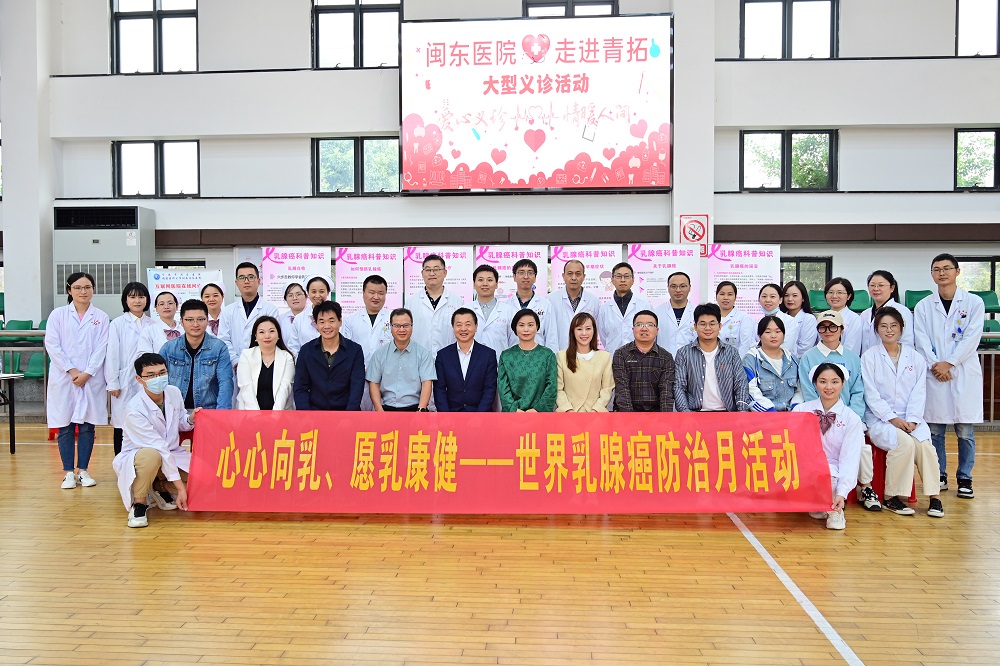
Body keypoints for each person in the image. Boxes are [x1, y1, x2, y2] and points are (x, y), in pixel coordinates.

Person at [914, 253, 984, 499]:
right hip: (935, 372)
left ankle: (965, 477)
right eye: (937, 269)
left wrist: (950, 363)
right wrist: (936, 365)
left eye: (946, 268)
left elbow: (972, 337)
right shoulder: (923, 306)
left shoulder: (974, 302)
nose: (942, 273)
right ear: (932, 274)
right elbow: (921, 339)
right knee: (935, 430)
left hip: (962, 370)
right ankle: (939, 474)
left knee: (965, 431)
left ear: (957, 271)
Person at [862, 307, 943, 518]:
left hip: (910, 418)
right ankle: (891, 497)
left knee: (925, 447)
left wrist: (913, 419)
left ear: (901, 328)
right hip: (881, 419)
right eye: (883, 326)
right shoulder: (869, 357)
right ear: (876, 330)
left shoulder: (915, 358)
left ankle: (934, 497)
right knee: (905, 444)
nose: (889, 330)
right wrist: (893, 419)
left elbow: (919, 392)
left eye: (893, 326)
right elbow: (871, 394)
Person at [799, 310, 879, 511]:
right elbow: (809, 391)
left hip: (847, 415)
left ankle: (866, 487)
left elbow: (858, 390)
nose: (828, 331)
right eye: (823, 327)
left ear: (842, 329)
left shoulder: (852, 358)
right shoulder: (808, 357)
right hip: (817, 417)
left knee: (859, 446)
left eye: (833, 327)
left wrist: (851, 417)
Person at [113, 353, 198, 529]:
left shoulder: (173, 392)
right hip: (143, 458)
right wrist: (180, 488)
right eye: (151, 375)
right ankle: (139, 504)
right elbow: (159, 447)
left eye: (162, 373)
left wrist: (190, 419)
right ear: (139, 379)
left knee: (203, 479)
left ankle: (159, 487)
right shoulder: (135, 409)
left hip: (171, 454)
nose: (158, 378)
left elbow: (179, 421)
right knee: (151, 456)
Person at [45, 272, 110, 489]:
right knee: (65, 425)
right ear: (69, 290)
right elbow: (52, 345)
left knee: (87, 426)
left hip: (91, 379)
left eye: (87, 287)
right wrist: (72, 371)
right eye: (78, 287)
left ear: (93, 289)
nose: (83, 291)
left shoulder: (101, 317)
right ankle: (68, 473)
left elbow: (102, 348)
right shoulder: (58, 315)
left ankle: (83, 470)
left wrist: (88, 373)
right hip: (65, 378)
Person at [793, 363, 864, 531]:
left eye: (835, 382)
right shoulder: (802, 410)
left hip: (833, 471)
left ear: (842, 384)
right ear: (815, 383)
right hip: (805, 468)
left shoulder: (851, 418)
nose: (829, 387)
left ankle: (835, 509)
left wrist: (842, 492)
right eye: (823, 381)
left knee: (828, 473)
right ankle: (816, 502)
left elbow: (849, 458)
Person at [674, 303, 751, 412]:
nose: (707, 328)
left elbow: (741, 384)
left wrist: (742, 411)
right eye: (703, 324)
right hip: (695, 414)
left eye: (712, 324)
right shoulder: (683, 353)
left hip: (727, 413)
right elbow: (679, 387)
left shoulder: (732, 353)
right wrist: (686, 414)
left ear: (720, 326)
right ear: (695, 326)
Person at [105, 282, 154, 455]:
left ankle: (143, 462)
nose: (137, 301)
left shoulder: (152, 324)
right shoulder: (117, 324)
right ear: (125, 300)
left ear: (147, 300)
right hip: (124, 380)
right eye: (132, 297)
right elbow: (112, 355)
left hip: (148, 381)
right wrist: (113, 382)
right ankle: (121, 462)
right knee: (122, 424)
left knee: (146, 422)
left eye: (141, 297)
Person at [160, 299, 234, 411]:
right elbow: (159, 380)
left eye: (200, 319)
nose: (195, 324)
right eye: (189, 320)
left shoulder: (219, 347)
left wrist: (221, 415)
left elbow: (225, 382)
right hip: (176, 411)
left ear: (207, 320)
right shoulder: (168, 348)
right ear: (181, 321)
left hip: (208, 411)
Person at [293, 301, 366, 411]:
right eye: (322, 321)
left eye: (331, 321)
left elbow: (357, 386)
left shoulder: (355, 350)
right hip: (314, 412)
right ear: (316, 324)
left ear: (340, 321)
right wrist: (306, 415)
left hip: (345, 412)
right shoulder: (306, 350)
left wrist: (349, 416)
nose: (327, 326)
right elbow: (300, 387)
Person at [367, 308, 437, 411]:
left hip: (415, 409)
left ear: (412, 326)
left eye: (406, 325)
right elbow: (374, 382)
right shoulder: (379, 354)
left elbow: (427, 383)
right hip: (386, 409)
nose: (401, 330)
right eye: (397, 326)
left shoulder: (423, 354)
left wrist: (421, 410)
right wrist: (379, 409)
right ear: (390, 327)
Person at [341, 275, 394, 409]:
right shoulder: (350, 320)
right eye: (371, 292)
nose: (376, 297)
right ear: (363, 293)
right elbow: (346, 350)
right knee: (360, 415)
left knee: (384, 415)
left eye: (380, 293)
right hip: (359, 378)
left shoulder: (393, 318)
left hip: (387, 378)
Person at [218, 262, 279, 375]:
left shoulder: (271, 310)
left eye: (251, 277)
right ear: (237, 283)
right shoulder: (227, 311)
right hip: (234, 367)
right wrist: (236, 361)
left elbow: (272, 339)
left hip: (262, 365)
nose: (246, 281)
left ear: (258, 281)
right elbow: (223, 339)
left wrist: (255, 361)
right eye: (242, 277)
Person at [434, 308, 498, 412]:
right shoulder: (443, 355)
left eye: (468, 324)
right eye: (459, 325)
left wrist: (479, 416)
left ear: (476, 327)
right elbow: (439, 389)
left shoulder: (488, 355)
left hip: (480, 414)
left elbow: (490, 388)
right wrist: (446, 416)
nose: (463, 329)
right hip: (451, 415)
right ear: (453, 328)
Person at [612, 310, 674, 412]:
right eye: (639, 324)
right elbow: (622, 390)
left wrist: (664, 418)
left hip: (656, 414)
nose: (644, 328)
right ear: (633, 329)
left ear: (657, 330)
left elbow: (666, 393)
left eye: (650, 325)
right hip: (626, 413)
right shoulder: (621, 354)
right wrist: (629, 419)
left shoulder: (666, 357)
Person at [498, 309, 558, 412]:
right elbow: (503, 388)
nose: (526, 329)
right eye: (521, 325)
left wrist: (537, 410)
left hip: (540, 415)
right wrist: (514, 410)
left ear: (537, 327)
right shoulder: (506, 356)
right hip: (514, 415)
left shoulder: (547, 355)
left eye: (530, 325)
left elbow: (551, 386)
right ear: (515, 328)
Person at [557, 312, 614, 412]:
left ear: (594, 331)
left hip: (596, 415)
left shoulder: (605, 357)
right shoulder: (561, 356)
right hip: (569, 414)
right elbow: (558, 389)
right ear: (573, 332)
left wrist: (595, 410)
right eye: (579, 329)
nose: (584, 333)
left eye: (588, 328)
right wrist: (568, 410)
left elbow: (607, 389)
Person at [743, 315, 801, 413]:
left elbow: (800, 390)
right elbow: (750, 391)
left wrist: (795, 408)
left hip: (792, 415)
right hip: (764, 416)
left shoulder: (793, 360)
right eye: (768, 332)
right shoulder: (751, 360)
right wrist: (771, 412)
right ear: (759, 335)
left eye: (778, 332)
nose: (773, 336)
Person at [409, 254, 463, 358]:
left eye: (436, 269)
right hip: (419, 358)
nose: (432, 273)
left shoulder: (457, 301)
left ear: (445, 272)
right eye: (428, 270)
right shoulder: (411, 302)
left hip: (450, 359)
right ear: (422, 273)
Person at [237, 315, 296, 410]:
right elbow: (245, 387)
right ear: (255, 336)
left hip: (281, 412)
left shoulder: (287, 357)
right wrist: (256, 415)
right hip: (249, 412)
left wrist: (275, 415)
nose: (267, 336)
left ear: (278, 335)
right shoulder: (246, 355)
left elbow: (285, 387)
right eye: (261, 332)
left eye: (271, 331)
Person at [597, 262, 652, 354]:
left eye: (626, 276)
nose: (622, 280)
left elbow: (651, 333)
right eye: (619, 276)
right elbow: (604, 337)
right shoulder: (604, 309)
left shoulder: (645, 306)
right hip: (613, 358)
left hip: (640, 358)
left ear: (633, 280)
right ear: (612, 280)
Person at [504, 258, 559, 350]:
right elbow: (503, 338)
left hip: (539, 356)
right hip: (513, 356)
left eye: (530, 273)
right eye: (521, 272)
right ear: (514, 276)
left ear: (535, 277)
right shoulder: (506, 305)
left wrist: (551, 357)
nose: (526, 276)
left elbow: (551, 337)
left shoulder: (545, 305)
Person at [466, 264, 516, 361]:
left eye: (489, 280)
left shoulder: (509, 311)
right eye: (480, 280)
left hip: (500, 365)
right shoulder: (465, 311)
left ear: (496, 284)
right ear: (474, 284)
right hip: (470, 365)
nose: (485, 284)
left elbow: (514, 343)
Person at [549, 259, 600, 352]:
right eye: (570, 274)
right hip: (559, 354)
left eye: (578, 274)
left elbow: (597, 330)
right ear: (563, 276)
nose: (573, 278)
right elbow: (549, 332)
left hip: (586, 354)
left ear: (584, 277)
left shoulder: (594, 301)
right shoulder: (550, 300)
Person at [860, 270, 913, 355]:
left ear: (892, 288)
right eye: (872, 285)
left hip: (891, 360)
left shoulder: (902, 311)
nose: (876, 289)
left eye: (881, 285)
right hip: (867, 360)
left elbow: (907, 342)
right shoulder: (864, 314)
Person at [654, 271, 696, 355]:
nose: (678, 290)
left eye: (682, 286)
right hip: (663, 360)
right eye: (673, 286)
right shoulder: (657, 312)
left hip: (691, 360)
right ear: (668, 288)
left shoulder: (697, 312)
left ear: (689, 287)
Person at [290, 276, 332, 356]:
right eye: (313, 292)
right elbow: (294, 347)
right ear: (308, 293)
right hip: (306, 362)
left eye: (321, 291)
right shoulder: (299, 319)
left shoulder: (336, 317)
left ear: (328, 292)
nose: (317, 295)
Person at [823, 277, 863, 356]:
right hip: (820, 360)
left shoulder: (854, 319)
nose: (834, 296)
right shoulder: (822, 317)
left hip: (844, 361)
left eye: (840, 292)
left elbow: (851, 348)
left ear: (849, 296)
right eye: (830, 292)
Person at [756, 283, 798, 356]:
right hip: (759, 359)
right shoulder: (756, 322)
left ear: (780, 300)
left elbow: (787, 346)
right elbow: (751, 344)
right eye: (764, 296)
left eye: (772, 296)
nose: (768, 300)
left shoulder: (790, 321)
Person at [136, 291, 182, 356]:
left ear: (176, 306)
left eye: (170, 303)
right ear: (156, 308)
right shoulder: (148, 331)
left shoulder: (185, 329)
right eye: (161, 304)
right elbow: (144, 356)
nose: (166, 307)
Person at [715, 281, 755, 356]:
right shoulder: (712, 316)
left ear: (735, 297)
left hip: (735, 360)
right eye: (722, 294)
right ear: (716, 296)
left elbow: (745, 344)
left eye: (730, 294)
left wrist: (737, 361)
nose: (725, 298)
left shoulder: (743, 317)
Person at [780, 280, 818, 358]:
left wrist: (783, 355)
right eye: (786, 295)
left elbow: (805, 348)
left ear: (803, 298)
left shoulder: (809, 319)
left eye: (795, 295)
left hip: (799, 361)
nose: (790, 299)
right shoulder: (779, 317)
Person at [278, 282, 307, 355]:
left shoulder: (313, 317)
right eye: (290, 295)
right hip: (286, 358)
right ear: (285, 299)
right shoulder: (280, 319)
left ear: (306, 296)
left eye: (298, 294)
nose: (295, 298)